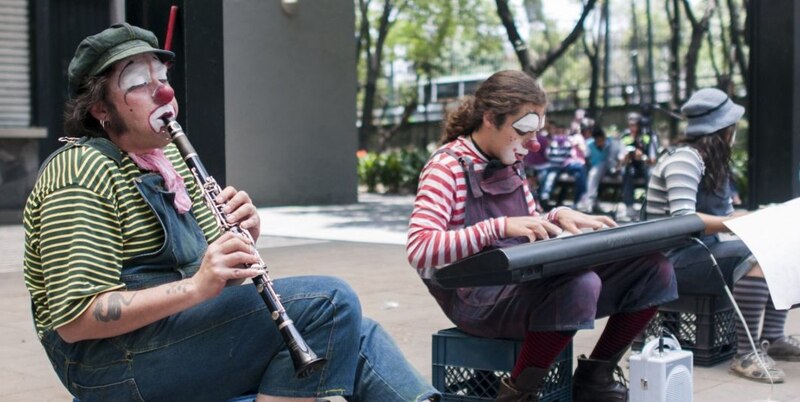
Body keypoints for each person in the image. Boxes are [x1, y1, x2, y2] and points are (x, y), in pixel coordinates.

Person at [22, 23, 438, 402]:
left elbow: (217, 273)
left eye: (163, 80)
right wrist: (197, 287)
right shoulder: (79, 170)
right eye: (138, 83)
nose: (163, 92)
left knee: (351, 330)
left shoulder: (167, 165)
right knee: (328, 303)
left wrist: (241, 243)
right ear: (100, 108)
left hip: (176, 335)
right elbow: (76, 320)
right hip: (112, 365)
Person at [407, 70, 678, 402]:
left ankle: (596, 377)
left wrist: (556, 217)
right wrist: (497, 227)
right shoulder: (446, 167)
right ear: (490, 118)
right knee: (581, 284)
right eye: (523, 132)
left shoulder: (512, 160)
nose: (532, 145)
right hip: (473, 299)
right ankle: (519, 394)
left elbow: (527, 224)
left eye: (536, 133)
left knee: (654, 268)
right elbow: (420, 248)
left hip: (520, 282)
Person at [644, 87, 799, 383]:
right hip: (671, 261)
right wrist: (740, 223)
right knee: (759, 257)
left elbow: (723, 220)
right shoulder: (684, 160)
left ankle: (774, 337)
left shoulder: (714, 165)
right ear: (725, 129)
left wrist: (761, 220)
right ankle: (745, 353)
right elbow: (683, 221)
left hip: (703, 253)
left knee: (789, 245)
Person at [617, 112, 656, 221]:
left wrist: (643, 157)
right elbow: (620, 160)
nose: (632, 128)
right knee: (626, 171)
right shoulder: (625, 136)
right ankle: (629, 207)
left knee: (651, 173)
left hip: (645, 165)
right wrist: (625, 158)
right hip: (630, 167)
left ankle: (651, 205)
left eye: (635, 125)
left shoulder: (647, 136)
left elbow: (653, 160)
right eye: (630, 125)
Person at [577, 126, 618, 213]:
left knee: (594, 173)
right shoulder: (589, 144)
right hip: (595, 167)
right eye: (598, 140)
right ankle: (590, 202)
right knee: (591, 173)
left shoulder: (611, 143)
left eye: (602, 140)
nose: (600, 143)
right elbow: (586, 158)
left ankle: (590, 201)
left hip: (609, 166)